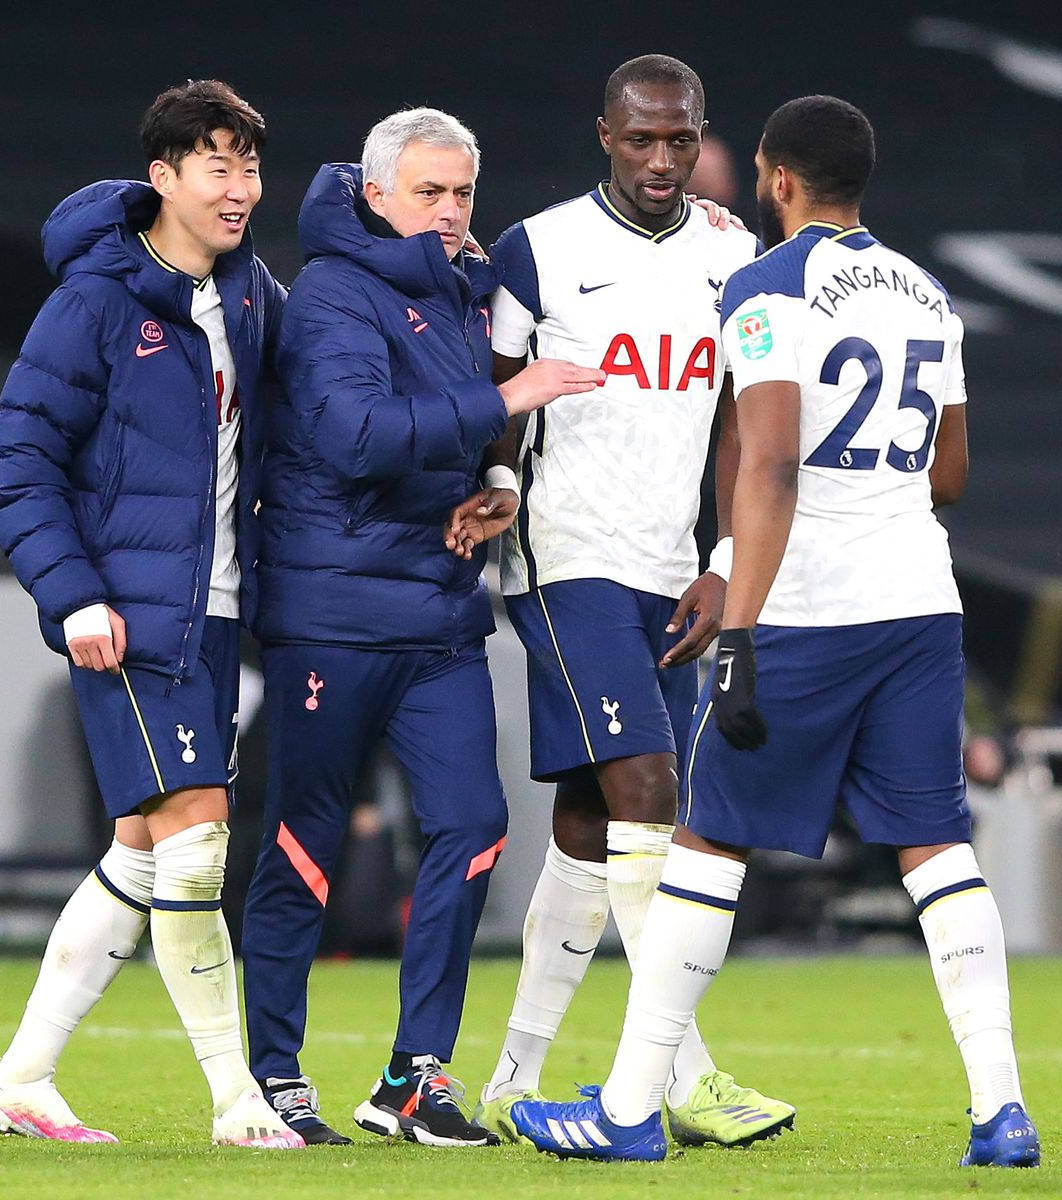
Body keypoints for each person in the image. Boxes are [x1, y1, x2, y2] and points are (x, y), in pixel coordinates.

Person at [511, 95, 1040, 1168]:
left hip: (808, 607)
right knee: (936, 844)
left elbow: (766, 463)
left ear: (776, 176)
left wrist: (739, 627)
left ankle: (624, 1111)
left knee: (706, 841)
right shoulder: (928, 293)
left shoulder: (765, 287)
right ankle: (1002, 1110)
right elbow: (952, 472)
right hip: (921, 604)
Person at [446, 54, 793, 1148]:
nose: (660, 159)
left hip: (669, 564)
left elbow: (741, 411)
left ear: (701, 138)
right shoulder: (539, 248)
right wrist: (497, 484)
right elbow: (491, 398)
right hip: (564, 558)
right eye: (640, 138)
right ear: (605, 134)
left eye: (678, 139)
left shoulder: (735, 251)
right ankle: (679, 1076)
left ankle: (512, 1074)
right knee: (649, 789)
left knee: (593, 823)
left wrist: (727, 552)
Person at [241, 107, 604, 1148]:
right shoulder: (334, 293)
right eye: (429, 193)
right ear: (375, 195)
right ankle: (273, 1073)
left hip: (440, 611)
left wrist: (493, 480)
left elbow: (458, 427)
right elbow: (354, 438)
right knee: (306, 845)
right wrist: (509, 403)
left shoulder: (457, 291)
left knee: (474, 826)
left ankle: (414, 1075)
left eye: (461, 194)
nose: (449, 214)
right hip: (333, 615)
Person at [0, 80, 300, 1149]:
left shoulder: (250, 291)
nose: (241, 188)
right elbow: (23, 462)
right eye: (217, 165)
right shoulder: (96, 299)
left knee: (143, 849)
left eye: (250, 166)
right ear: (160, 178)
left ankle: (24, 1077)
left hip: (212, 613)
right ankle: (235, 1099)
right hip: (126, 613)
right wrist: (71, 595)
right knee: (199, 840)